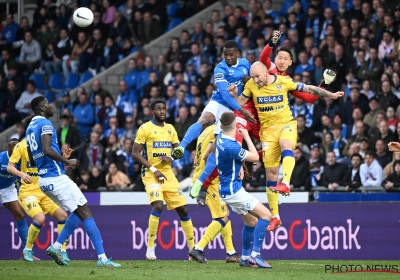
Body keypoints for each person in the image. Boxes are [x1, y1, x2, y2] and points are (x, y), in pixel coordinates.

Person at [228, 61, 343, 224]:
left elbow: (309, 88)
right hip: (267, 132)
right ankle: (275, 216)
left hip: (286, 124)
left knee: (286, 145)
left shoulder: (284, 82)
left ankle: (286, 182)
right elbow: (240, 104)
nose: (255, 80)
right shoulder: (251, 86)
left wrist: (330, 94)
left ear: (266, 72)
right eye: (252, 77)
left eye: (257, 76)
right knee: (271, 173)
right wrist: (233, 95)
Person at [25, 96, 120, 267]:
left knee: (77, 211)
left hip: (44, 180)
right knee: (86, 213)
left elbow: (32, 160)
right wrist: (67, 161)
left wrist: (61, 163)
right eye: (47, 104)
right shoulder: (45, 124)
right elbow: (47, 150)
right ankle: (102, 259)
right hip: (56, 178)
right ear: (41, 109)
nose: (50, 105)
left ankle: (56, 246)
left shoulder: (29, 129)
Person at [171, 40, 256, 168]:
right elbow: (225, 94)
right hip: (220, 102)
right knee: (205, 119)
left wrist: (249, 80)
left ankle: (203, 181)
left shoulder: (245, 63)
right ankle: (181, 147)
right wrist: (242, 110)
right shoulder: (220, 68)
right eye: (225, 54)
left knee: (218, 147)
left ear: (238, 53)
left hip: (235, 109)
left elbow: (253, 82)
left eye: (231, 55)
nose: (228, 58)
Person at [132, 100, 195, 260]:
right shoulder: (145, 128)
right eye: (158, 109)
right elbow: (135, 153)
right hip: (150, 173)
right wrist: (154, 169)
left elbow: (179, 150)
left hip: (167, 173)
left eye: (164, 108)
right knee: (158, 206)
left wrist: (172, 156)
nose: (162, 111)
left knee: (184, 210)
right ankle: (150, 249)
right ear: (152, 111)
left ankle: (193, 251)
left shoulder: (170, 128)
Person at [215, 112, 272, 268]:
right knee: (266, 215)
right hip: (234, 191)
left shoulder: (220, 137)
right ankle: (256, 255)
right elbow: (255, 157)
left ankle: (245, 258)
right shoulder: (231, 146)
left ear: (221, 126)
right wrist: (246, 136)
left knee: (251, 221)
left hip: (226, 189)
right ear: (235, 125)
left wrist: (238, 167)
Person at [7, 139, 72, 262]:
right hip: (27, 191)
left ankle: (62, 251)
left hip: (43, 191)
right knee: (40, 218)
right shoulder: (20, 146)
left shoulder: (45, 146)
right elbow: (10, 168)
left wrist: (64, 159)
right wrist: (22, 175)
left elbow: (55, 169)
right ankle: (27, 250)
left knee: (63, 215)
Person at [188, 125, 239, 263]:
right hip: (209, 179)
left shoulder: (205, 131)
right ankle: (198, 248)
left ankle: (231, 252)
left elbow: (197, 159)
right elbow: (208, 157)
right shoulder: (219, 132)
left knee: (225, 213)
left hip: (203, 175)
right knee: (222, 217)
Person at [0, 139, 29, 259]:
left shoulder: (23, 160)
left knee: (20, 216)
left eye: (18, 146)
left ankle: (26, 252)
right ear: (8, 147)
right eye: (13, 146)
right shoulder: (1, 158)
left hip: (8, 188)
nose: (16, 148)